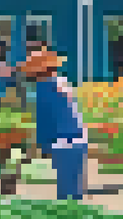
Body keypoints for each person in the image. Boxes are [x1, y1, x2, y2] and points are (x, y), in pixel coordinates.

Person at [23, 48, 90, 201]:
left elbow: (45, 119)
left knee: (66, 194)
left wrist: (42, 146)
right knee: (75, 189)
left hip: (62, 141)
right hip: (79, 138)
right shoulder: (62, 82)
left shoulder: (43, 87)